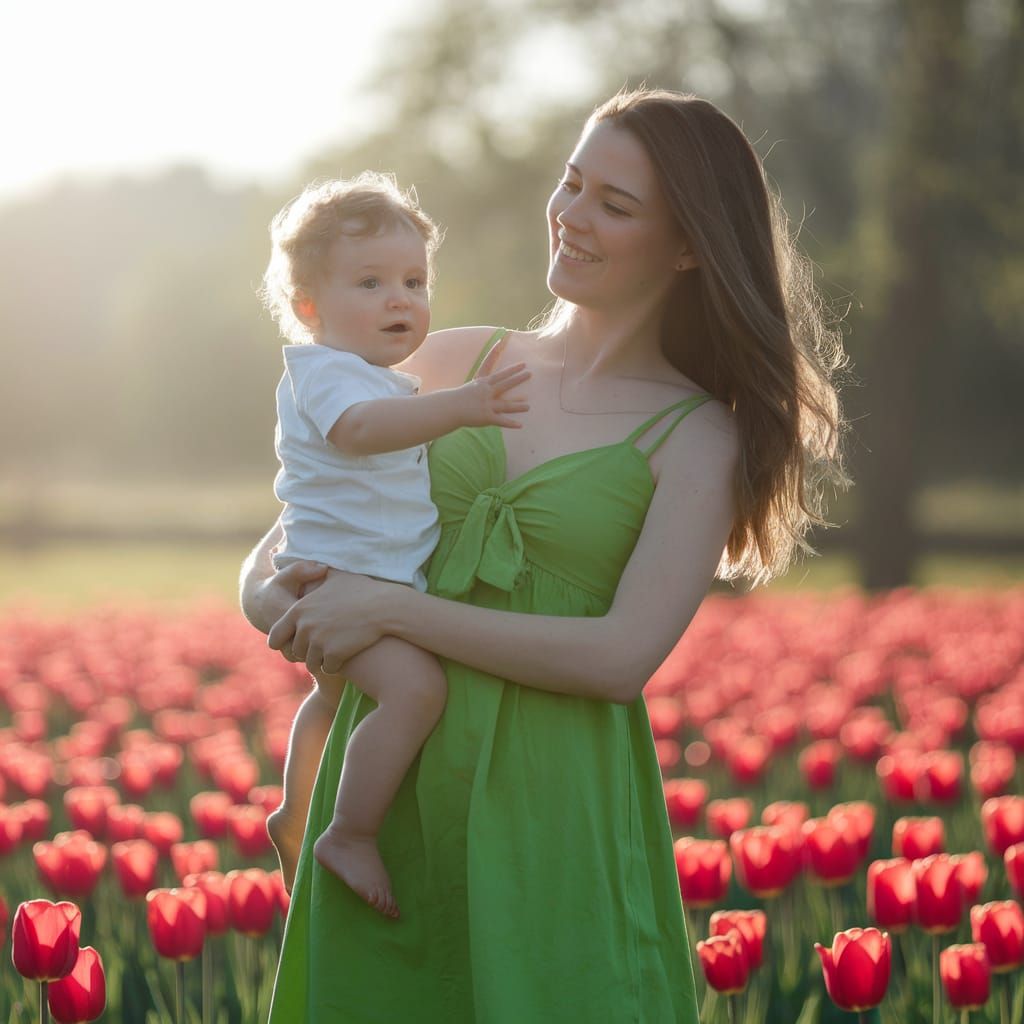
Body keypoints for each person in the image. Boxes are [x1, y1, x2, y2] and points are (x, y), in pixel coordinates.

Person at [242, 88, 848, 1023]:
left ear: (687, 245)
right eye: (572, 184)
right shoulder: (446, 362)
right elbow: (299, 531)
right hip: (393, 800)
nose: (572, 215)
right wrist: (275, 598)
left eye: (615, 203)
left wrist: (390, 611)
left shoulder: (696, 437)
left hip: (554, 801)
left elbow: (618, 660)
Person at [258, 173, 531, 917]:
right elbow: (359, 434)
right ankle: (347, 831)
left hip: (357, 574)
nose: (399, 299)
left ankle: (295, 806)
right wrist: (464, 407)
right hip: (346, 578)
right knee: (417, 691)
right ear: (309, 307)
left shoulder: (374, 377)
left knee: (336, 692)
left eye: (414, 280)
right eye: (370, 282)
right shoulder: (327, 376)